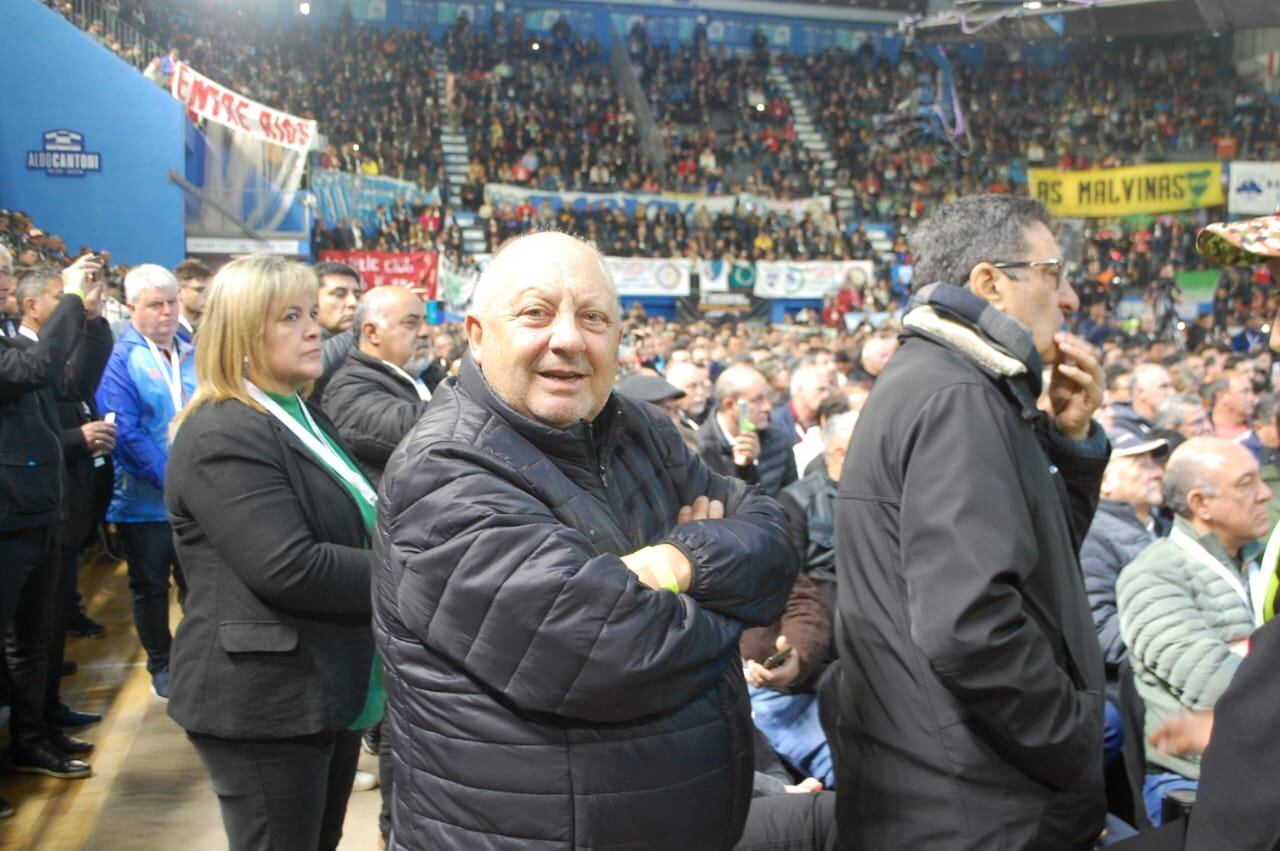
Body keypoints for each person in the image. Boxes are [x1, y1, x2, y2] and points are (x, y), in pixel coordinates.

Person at [374, 231, 797, 849]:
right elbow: (609, 651)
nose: (568, 338)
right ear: (476, 333)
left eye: (593, 317)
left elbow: (776, 534)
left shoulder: (640, 428)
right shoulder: (440, 471)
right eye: (535, 313)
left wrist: (673, 562)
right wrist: (723, 588)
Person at [835, 195, 1110, 849]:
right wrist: (1072, 737)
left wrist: (1067, 448)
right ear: (990, 283)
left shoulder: (953, 383)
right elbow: (972, 625)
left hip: (952, 793)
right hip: (977, 807)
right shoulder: (959, 397)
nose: (1069, 298)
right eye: (1052, 273)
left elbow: (1032, 576)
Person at [165, 254, 375, 851]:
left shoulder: (297, 412)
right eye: (290, 316)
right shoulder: (223, 429)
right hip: (264, 701)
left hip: (318, 683)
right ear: (242, 334)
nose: (314, 328)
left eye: (311, 312)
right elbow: (291, 567)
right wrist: (416, 570)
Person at [1117, 437, 1271, 826]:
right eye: (1246, 484)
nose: (1265, 494)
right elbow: (1223, 689)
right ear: (1201, 503)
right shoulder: (1153, 576)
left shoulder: (1265, 562)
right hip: (1199, 780)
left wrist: (1250, 657)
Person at [0, 253, 104, 802]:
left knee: (35, 640)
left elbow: (61, 376)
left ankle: (35, 737)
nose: (6, 284)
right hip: (7, 517)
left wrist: (84, 314)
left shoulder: (10, 338)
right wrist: (67, 297)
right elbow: (37, 370)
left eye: (6, 273)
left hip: (33, 511)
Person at [15, 266, 116, 729]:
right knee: (25, 636)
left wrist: (92, 322)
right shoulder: (20, 353)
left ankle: (43, 721)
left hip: (51, 506)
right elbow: (40, 373)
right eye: (61, 298)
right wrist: (77, 439)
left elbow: (75, 384)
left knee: (47, 626)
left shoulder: (28, 349)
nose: (69, 304)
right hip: (17, 510)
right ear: (31, 305)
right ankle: (29, 732)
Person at [95, 265, 197, 700]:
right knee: (151, 586)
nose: (167, 312)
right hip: (146, 503)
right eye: (156, 304)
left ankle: (197, 660)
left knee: (198, 583)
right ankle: (161, 663)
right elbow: (127, 434)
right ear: (132, 307)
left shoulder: (193, 350)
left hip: (196, 498)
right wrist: (170, 478)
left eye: (172, 302)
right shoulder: (123, 360)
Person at [1079, 427, 1169, 764]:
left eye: (1155, 464)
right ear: (1104, 483)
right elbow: (1100, 630)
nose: (1158, 472)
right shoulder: (1094, 534)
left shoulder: (1163, 525)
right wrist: (1174, 650)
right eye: (1142, 466)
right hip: (1129, 689)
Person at [323, 286, 432, 486]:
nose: (425, 331)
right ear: (372, 333)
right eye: (411, 323)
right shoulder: (347, 389)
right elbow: (410, 429)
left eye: (426, 321)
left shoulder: (430, 375)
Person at [697, 363, 798, 498]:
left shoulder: (778, 439)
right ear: (730, 405)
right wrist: (743, 469)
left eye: (767, 397)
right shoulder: (701, 449)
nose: (767, 407)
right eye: (757, 400)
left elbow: (791, 499)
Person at [311, 261, 361, 398]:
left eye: (357, 295)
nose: (353, 303)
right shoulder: (294, 339)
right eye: (339, 294)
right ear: (311, 301)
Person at [1111, 364, 1173, 434]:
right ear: (1140, 392)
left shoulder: (1170, 418)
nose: (1172, 392)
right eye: (1163, 386)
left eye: (1171, 386)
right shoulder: (1121, 424)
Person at [1206, 369, 1258, 441]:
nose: (1252, 398)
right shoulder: (1205, 433)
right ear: (1221, 396)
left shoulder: (1259, 427)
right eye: (1244, 392)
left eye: (1251, 391)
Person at [173, 258, 212, 344]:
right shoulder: (168, 332)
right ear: (179, 292)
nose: (207, 295)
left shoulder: (213, 329)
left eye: (209, 290)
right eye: (199, 290)